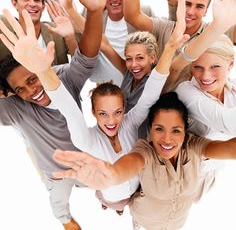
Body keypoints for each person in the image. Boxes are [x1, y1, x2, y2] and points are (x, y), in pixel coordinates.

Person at [0, 0, 189, 217]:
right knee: (110, 202)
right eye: (103, 114)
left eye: (118, 112)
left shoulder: (130, 122)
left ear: (125, 110)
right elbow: (66, 105)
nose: (111, 121)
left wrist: (169, 49)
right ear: (93, 113)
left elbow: (151, 91)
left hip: (134, 192)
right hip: (108, 195)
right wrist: (42, 71)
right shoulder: (85, 138)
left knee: (126, 204)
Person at [0, 0, 106, 229]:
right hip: (29, 119)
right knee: (46, 165)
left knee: (100, 177)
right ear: (15, 3)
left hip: (63, 102)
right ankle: (64, 214)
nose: (31, 4)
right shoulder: (5, 35)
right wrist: (12, 92)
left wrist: (92, 12)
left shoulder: (54, 40)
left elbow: (81, 58)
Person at [52, 91, 236, 230]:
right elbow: (128, 164)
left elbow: (229, 148)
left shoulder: (194, 145)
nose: (167, 139)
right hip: (144, 222)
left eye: (176, 130)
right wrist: (111, 175)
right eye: (159, 129)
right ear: (150, 129)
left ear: (185, 131)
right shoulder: (145, 151)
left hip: (177, 223)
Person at [81, 0, 157, 85]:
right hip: (103, 89)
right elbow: (65, 26)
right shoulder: (92, 13)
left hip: (136, 87)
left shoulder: (144, 12)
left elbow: (166, 33)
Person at [0, 0, 78, 64]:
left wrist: (70, 37)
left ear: (43, 6)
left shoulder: (56, 30)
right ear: (14, 3)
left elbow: (78, 64)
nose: (32, 4)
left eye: (36, 0)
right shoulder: (4, 30)